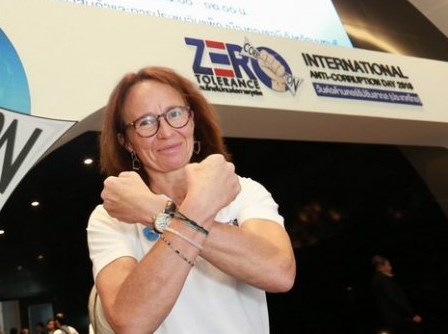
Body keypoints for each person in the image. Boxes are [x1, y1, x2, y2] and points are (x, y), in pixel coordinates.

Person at [87, 66, 296, 333]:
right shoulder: (109, 218)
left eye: (175, 114)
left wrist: (156, 211)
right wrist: (190, 212)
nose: (166, 132)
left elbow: (279, 272)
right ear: (126, 141)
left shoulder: (243, 191)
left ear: (192, 119)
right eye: (146, 122)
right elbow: (131, 322)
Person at [371, 255, 422, 334]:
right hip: (400, 318)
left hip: (391, 318)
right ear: (381, 266)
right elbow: (394, 298)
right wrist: (411, 315)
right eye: (388, 265)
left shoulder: (375, 279)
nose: (390, 267)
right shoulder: (384, 279)